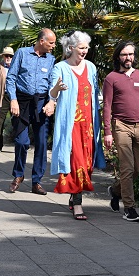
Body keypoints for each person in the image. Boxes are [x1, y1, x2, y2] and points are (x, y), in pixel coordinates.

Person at [43, 31, 106, 220]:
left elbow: (94, 95)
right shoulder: (60, 68)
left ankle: (74, 196)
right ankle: (78, 203)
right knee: (75, 162)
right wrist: (56, 90)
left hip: (89, 125)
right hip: (71, 125)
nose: (85, 51)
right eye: (81, 48)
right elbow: (52, 94)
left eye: (87, 47)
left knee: (87, 164)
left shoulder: (92, 67)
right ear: (71, 48)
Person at [102, 41, 139, 222]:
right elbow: (106, 106)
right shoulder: (111, 78)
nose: (128, 58)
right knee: (127, 168)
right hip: (121, 126)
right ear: (118, 57)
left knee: (137, 169)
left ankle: (115, 190)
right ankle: (129, 208)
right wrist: (108, 132)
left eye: (131, 54)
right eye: (124, 55)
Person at [6, 28, 56, 195]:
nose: (53, 46)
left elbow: (51, 83)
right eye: (51, 43)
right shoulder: (22, 53)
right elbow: (11, 77)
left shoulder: (51, 59)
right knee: (22, 141)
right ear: (41, 41)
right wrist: (13, 99)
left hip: (41, 102)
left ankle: (37, 181)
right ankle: (18, 175)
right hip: (22, 102)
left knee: (41, 142)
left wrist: (51, 102)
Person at [0, 46, 14, 152]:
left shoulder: (16, 67)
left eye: (10, 56)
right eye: (6, 56)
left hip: (14, 97)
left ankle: (20, 143)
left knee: (18, 120)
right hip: (2, 96)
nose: (8, 58)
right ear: (3, 56)